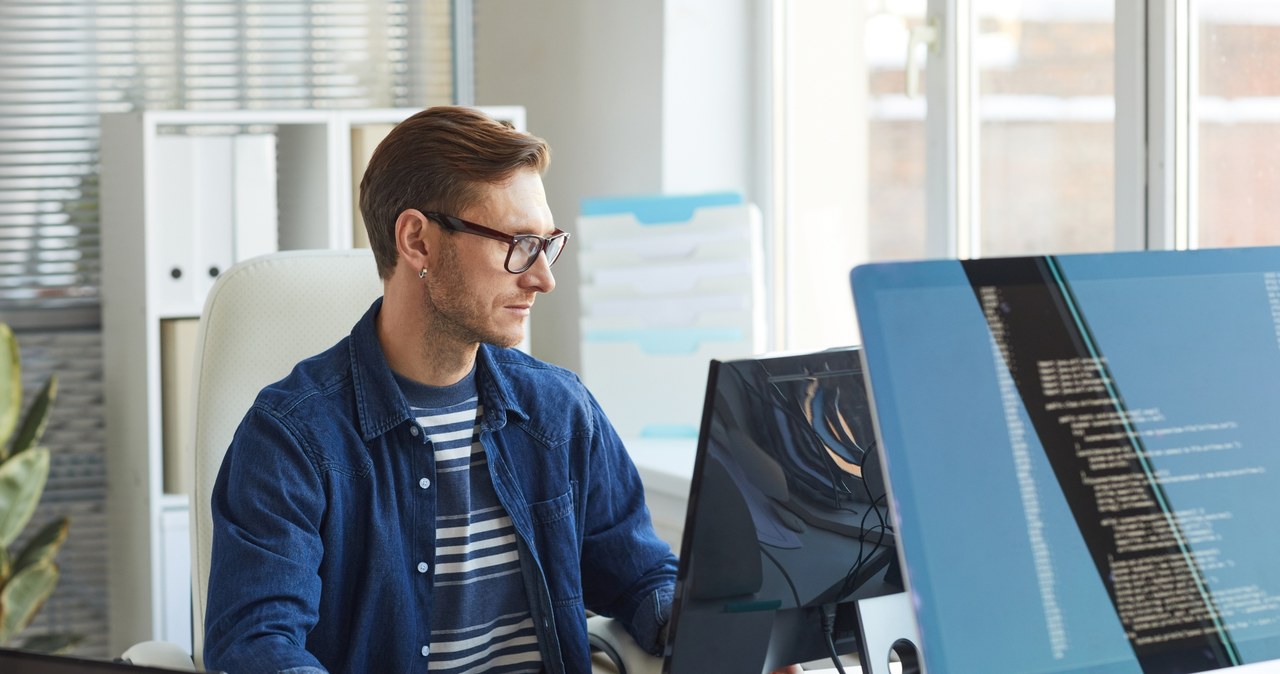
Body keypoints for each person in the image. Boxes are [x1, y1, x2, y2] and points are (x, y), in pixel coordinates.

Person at [202, 106, 678, 673]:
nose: (543, 277)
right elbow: (259, 647)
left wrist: (733, 638)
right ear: (418, 242)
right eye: (519, 244)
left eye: (547, 245)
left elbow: (641, 576)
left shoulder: (560, 413)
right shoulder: (290, 440)